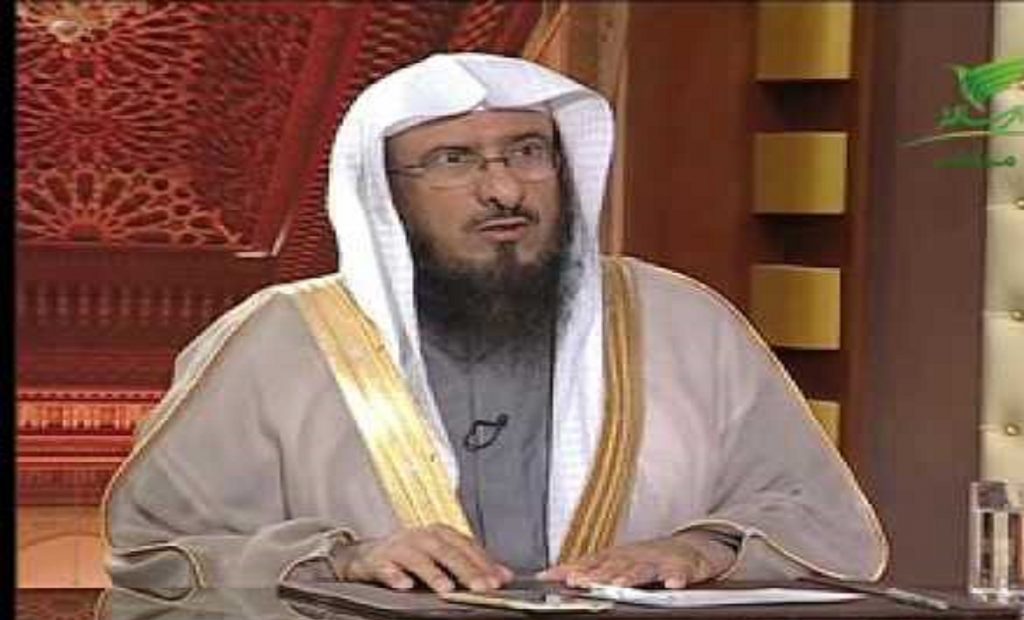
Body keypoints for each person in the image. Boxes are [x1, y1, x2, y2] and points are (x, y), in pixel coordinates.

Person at [103, 52, 888, 592]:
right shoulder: (279, 339)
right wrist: (344, 558)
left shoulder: (681, 320)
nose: (505, 190)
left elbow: (812, 513)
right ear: (386, 193)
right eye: (454, 161)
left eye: (528, 152)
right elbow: (160, 549)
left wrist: (699, 548)